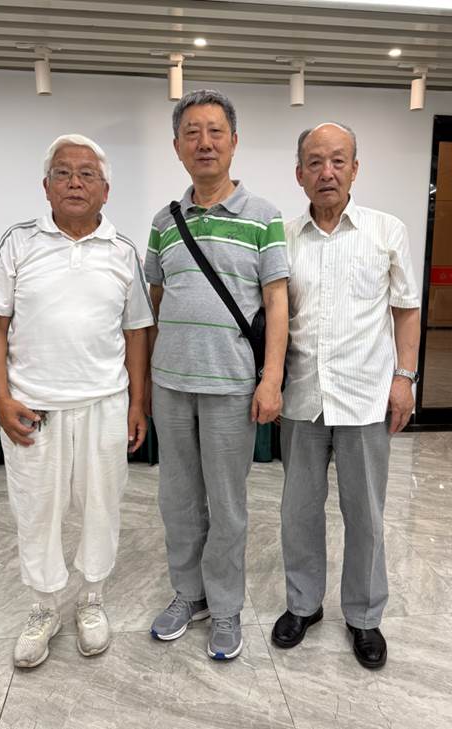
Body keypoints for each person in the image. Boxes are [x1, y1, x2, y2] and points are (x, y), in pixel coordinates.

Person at [0, 133, 154, 668]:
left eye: (87, 174)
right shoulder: (18, 242)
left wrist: (137, 404)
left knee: (102, 507)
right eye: (63, 173)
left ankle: (92, 600)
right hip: (35, 407)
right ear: (46, 186)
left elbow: (137, 331)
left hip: (105, 404)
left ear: (106, 190)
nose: (75, 182)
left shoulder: (123, 251)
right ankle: (43, 607)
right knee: (36, 511)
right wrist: (1, 399)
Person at [145, 89, 289, 660]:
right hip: (170, 384)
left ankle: (226, 605)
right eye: (192, 133)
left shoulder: (264, 217)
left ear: (233, 141)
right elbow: (156, 301)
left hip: (231, 385)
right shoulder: (164, 221)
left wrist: (271, 378)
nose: (203, 142)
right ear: (177, 146)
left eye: (214, 132)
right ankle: (190, 594)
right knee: (177, 499)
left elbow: (277, 303)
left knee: (227, 504)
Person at [271, 122, 420, 669]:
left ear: (356, 169)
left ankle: (363, 614)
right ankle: (303, 605)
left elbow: (406, 308)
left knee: (366, 515)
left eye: (338, 161)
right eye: (315, 162)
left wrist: (405, 378)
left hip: (365, 397)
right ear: (299, 174)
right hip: (302, 398)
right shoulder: (283, 237)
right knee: (298, 512)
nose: (326, 172)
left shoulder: (386, 230)